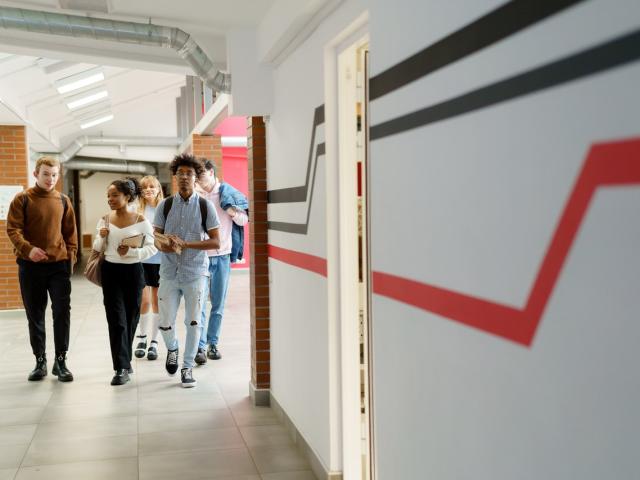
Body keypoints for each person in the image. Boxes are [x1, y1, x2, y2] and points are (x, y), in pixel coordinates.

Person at [6, 156, 78, 382]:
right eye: (46, 174)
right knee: (35, 314)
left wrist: (70, 261)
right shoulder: (22, 199)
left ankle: (61, 360)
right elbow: (13, 230)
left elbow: (70, 235)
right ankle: (40, 361)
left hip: (58, 267)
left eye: (54, 174)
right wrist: (28, 250)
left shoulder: (64, 201)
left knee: (61, 314)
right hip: (30, 267)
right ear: (36, 174)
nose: (51, 179)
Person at [153, 154, 220, 388]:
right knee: (164, 321)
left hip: (195, 273)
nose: (184, 177)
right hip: (169, 272)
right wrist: (166, 244)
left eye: (189, 174)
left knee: (193, 322)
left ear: (195, 178)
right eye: (180, 173)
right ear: (175, 177)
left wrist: (186, 244)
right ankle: (172, 348)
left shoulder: (205, 206)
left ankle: (187, 366)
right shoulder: (165, 205)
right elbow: (156, 239)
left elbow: (216, 242)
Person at [93, 178, 157, 386]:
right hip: (111, 272)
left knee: (131, 318)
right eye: (108, 196)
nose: (110, 199)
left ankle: (125, 358)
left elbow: (152, 247)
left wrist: (133, 251)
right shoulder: (104, 219)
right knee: (116, 320)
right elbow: (97, 246)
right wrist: (102, 237)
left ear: (127, 197)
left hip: (133, 272)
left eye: (114, 195)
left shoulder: (140, 220)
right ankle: (120, 367)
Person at [194, 159, 248, 365]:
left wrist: (231, 210)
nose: (198, 180)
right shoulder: (196, 196)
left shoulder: (227, 193)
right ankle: (199, 347)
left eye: (201, 175)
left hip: (223, 256)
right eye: (196, 177)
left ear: (210, 171)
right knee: (199, 304)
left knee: (218, 304)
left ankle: (212, 344)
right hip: (201, 258)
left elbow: (244, 220)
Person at [133, 175, 163, 361]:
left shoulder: (165, 208)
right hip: (142, 261)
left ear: (158, 189)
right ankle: (142, 338)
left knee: (158, 302)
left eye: (152, 186)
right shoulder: (136, 209)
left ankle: (154, 341)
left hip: (161, 262)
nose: (149, 190)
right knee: (144, 301)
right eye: (145, 187)